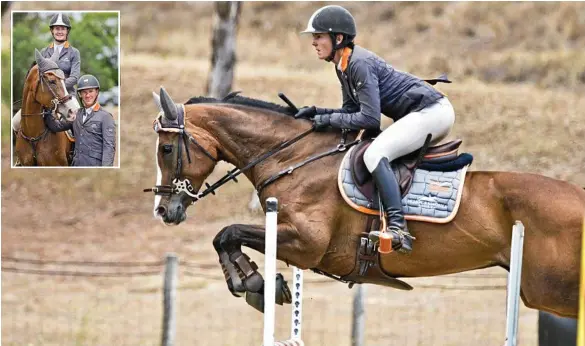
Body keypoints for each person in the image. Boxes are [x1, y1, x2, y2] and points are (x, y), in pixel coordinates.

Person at [295, 5, 455, 254]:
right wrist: (318, 112)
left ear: (338, 38)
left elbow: (370, 120)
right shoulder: (343, 65)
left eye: (318, 36)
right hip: (424, 112)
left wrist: (327, 121)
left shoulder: (359, 63)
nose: (313, 42)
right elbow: (349, 111)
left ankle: (398, 227)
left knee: (374, 154)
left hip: (432, 112)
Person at [12, 13, 81, 132]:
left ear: (67, 31)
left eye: (63, 29)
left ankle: (78, 150)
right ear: (52, 31)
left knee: (78, 122)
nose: (60, 31)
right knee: (15, 123)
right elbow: (37, 77)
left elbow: (74, 77)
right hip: (45, 97)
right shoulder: (44, 52)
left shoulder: (74, 52)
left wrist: (59, 88)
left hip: (67, 96)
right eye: (57, 28)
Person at [44, 74, 116, 167]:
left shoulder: (106, 117)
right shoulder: (76, 114)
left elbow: (109, 147)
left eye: (91, 91)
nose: (88, 95)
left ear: (97, 92)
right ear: (79, 94)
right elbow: (56, 126)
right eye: (84, 92)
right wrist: (47, 109)